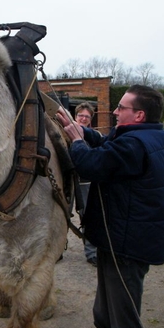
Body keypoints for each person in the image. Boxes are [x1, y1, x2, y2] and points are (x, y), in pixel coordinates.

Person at [57, 85, 164, 328]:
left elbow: (94, 164)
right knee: (104, 313)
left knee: (125, 318)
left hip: (127, 245)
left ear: (139, 115)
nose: (115, 112)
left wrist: (77, 142)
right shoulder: (145, 137)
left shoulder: (136, 144)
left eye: (121, 108)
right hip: (114, 239)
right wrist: (83, 132)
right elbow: (108, 145)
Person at [74, 102, 98, 266]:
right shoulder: (63, 132)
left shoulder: (93, 136)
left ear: (90, 120)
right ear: (75, 116)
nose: (83, 118)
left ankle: (92, 253)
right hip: (65, 182)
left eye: (86, 117)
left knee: (88, 217)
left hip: (84, 183)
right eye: (80, 115)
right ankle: (58, 251)